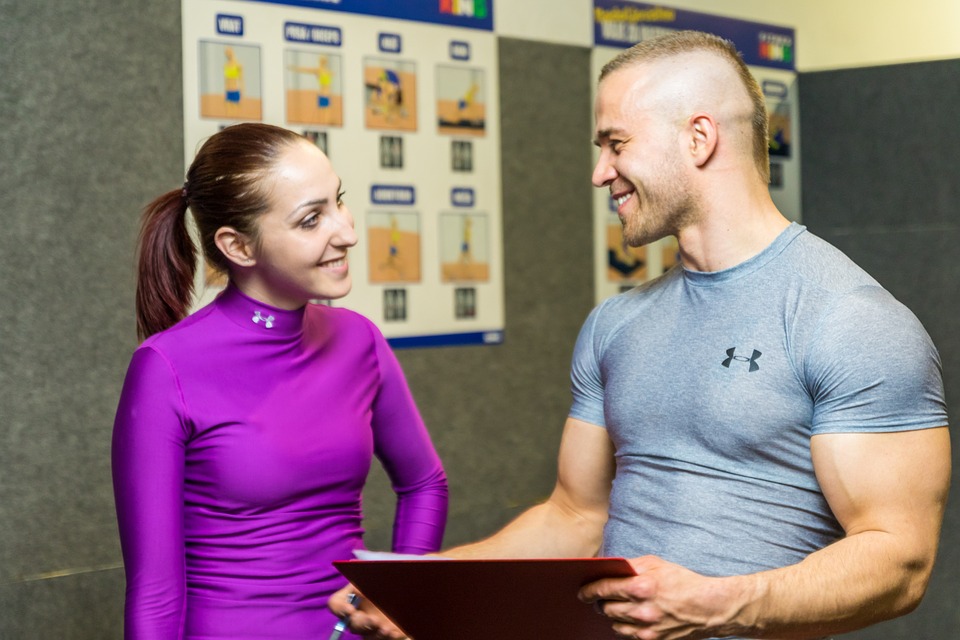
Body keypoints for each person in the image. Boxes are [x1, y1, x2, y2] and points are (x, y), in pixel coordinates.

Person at [333, 30, 951, 639]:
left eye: (616, 144)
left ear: (699, 138)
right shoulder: (617, 322)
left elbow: (899, 562)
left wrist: (721, 604)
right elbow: (575, 516)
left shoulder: (849, 317)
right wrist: (420, 589)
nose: (600, 173)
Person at [112, 122, 448, 639]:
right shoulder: (165, 368)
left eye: (339, 201)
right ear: (238, 246)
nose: (348, 232)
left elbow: (425, 484)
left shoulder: (360, 341)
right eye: (312, 219)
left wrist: (393, 599)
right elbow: (155, 595)